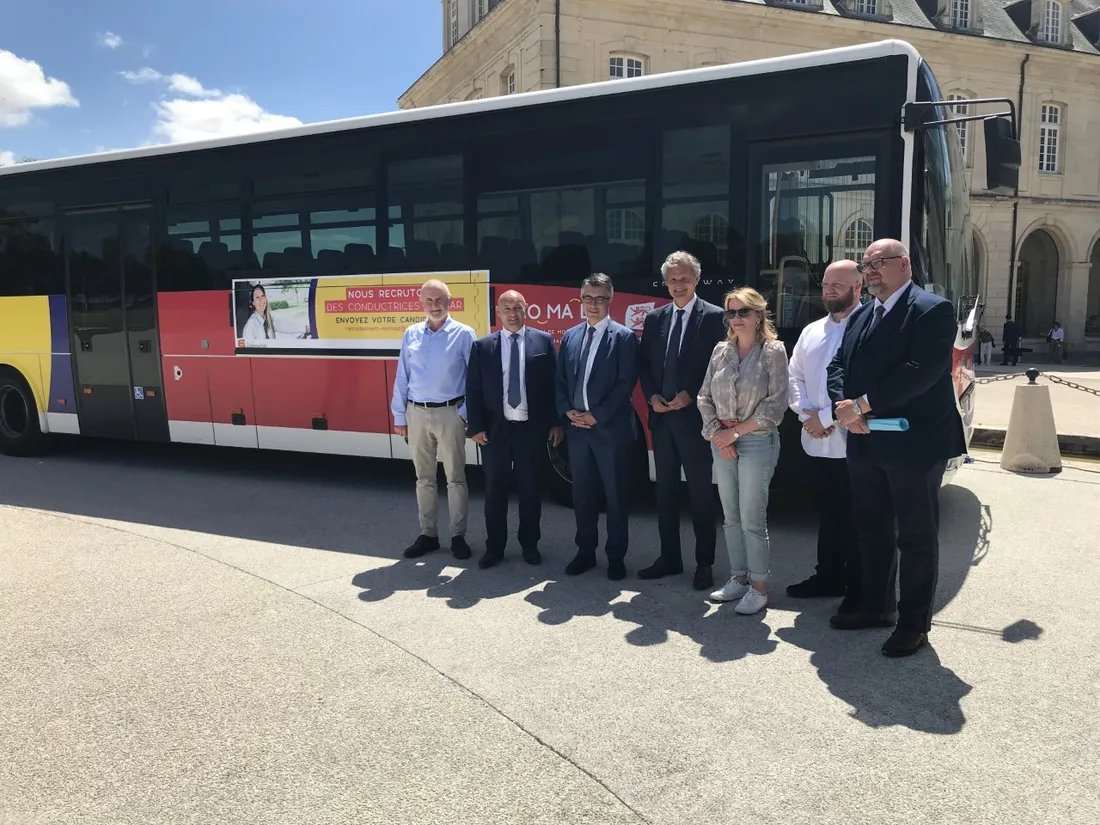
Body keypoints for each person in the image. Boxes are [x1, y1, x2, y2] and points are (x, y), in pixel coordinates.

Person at [828, 238, 966, 658]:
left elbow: (921, 372)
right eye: (866, 264)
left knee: (916, 536)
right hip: (866, 440)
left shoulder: (931, 309)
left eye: (879, 263)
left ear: (904, 265)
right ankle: (876, 606)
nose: (870, 271)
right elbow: (839, 365)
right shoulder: (863, 313)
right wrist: (844, 410)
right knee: (871, 528)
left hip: (915, 443)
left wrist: (863, 406)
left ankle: (914, 624)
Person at [636, 251, 726, 591]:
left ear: (696, 280)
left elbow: (718, 368)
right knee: (666, 493)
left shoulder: (715, 317)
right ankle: (669, 557)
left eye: (684, 279)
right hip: (662, 420)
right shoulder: (655, 318)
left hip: (695, 420)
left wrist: (691, 393)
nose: (678, 285)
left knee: (702, 495)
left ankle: (705, 563)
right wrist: (651, 395)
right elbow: (645, 364)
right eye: (672, 280)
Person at [698, 287, 789, 615]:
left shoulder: (773, 351)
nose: (736, 319)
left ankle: (759, 587)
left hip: (755, 440)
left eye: (742, 312)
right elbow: (704, 397)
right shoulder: (721, 351)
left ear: (757, 315)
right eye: (730, 313)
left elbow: (775, 406)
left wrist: (733, 433)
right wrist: (718, 435)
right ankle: (738, 578)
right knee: (731, 515)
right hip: (721, 439)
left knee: (752, 515)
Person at [466, 290, 564, 569]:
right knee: (495, 491)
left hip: (530, 430)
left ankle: (530, 545)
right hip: (496, 431)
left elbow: (553, 385)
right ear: (498, 311)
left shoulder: (543, 341)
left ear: (526, 309)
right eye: (506, 308)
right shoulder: (482, 346)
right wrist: (475, 426)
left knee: (530, 490)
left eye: (517, 307)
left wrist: (557, 422)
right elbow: (473, 389)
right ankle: (494, 548)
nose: (512, 313)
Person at [786, 260, 863, 602]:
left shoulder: (868, 326)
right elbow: (793, 376)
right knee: (827, 515)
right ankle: (827, 576)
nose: (828, 289)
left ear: (857, 288)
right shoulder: (811, 330)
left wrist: (827, 418)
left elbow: (865, 387)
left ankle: (856, 584)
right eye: (827, 283)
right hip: (813, 440)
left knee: (855, 518)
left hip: (854, 443)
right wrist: (806, 415)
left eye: (838, 284)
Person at [555, 273, 639, 581]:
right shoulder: (571, 336)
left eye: (599, 298)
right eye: (587, 298)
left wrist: (596, 415)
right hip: (577, 431)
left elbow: (624, 384)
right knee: (583, 495)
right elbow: (561, 379)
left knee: (615, 496)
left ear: (610, 299)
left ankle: (615, 556)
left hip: (609, 431)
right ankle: (585, 552)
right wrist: (567, 411)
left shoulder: (624, 337)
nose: (593, 304)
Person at [390, 279, 476, 561]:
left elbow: (474, 380)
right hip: (417, 413)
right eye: (429, 301)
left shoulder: (464, 334)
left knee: (455, 479)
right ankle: (428, 535)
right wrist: (400, 415)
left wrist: (464, 414)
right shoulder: (411, 333)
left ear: (450, 302)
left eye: (440, 300)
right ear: (421, 303)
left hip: (450, 412)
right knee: (424, 479)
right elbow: (403, 376)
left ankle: (458, 536)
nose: (435, 306)